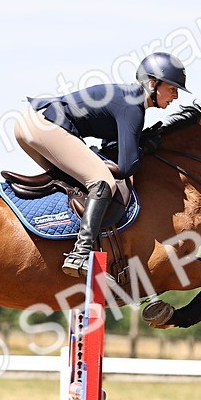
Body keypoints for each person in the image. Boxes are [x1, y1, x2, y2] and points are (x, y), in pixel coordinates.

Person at [13, 51, 188, 277]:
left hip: (28, 125)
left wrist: (138, 144)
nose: (176, 96)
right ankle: (80, 254)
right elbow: (127, 166)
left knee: (82, 181)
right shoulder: (132, 106)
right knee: (103, 182)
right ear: (153, 83)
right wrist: (144, 147)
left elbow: (111, 147)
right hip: (45, 125)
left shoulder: (129, 99)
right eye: (172, 88)